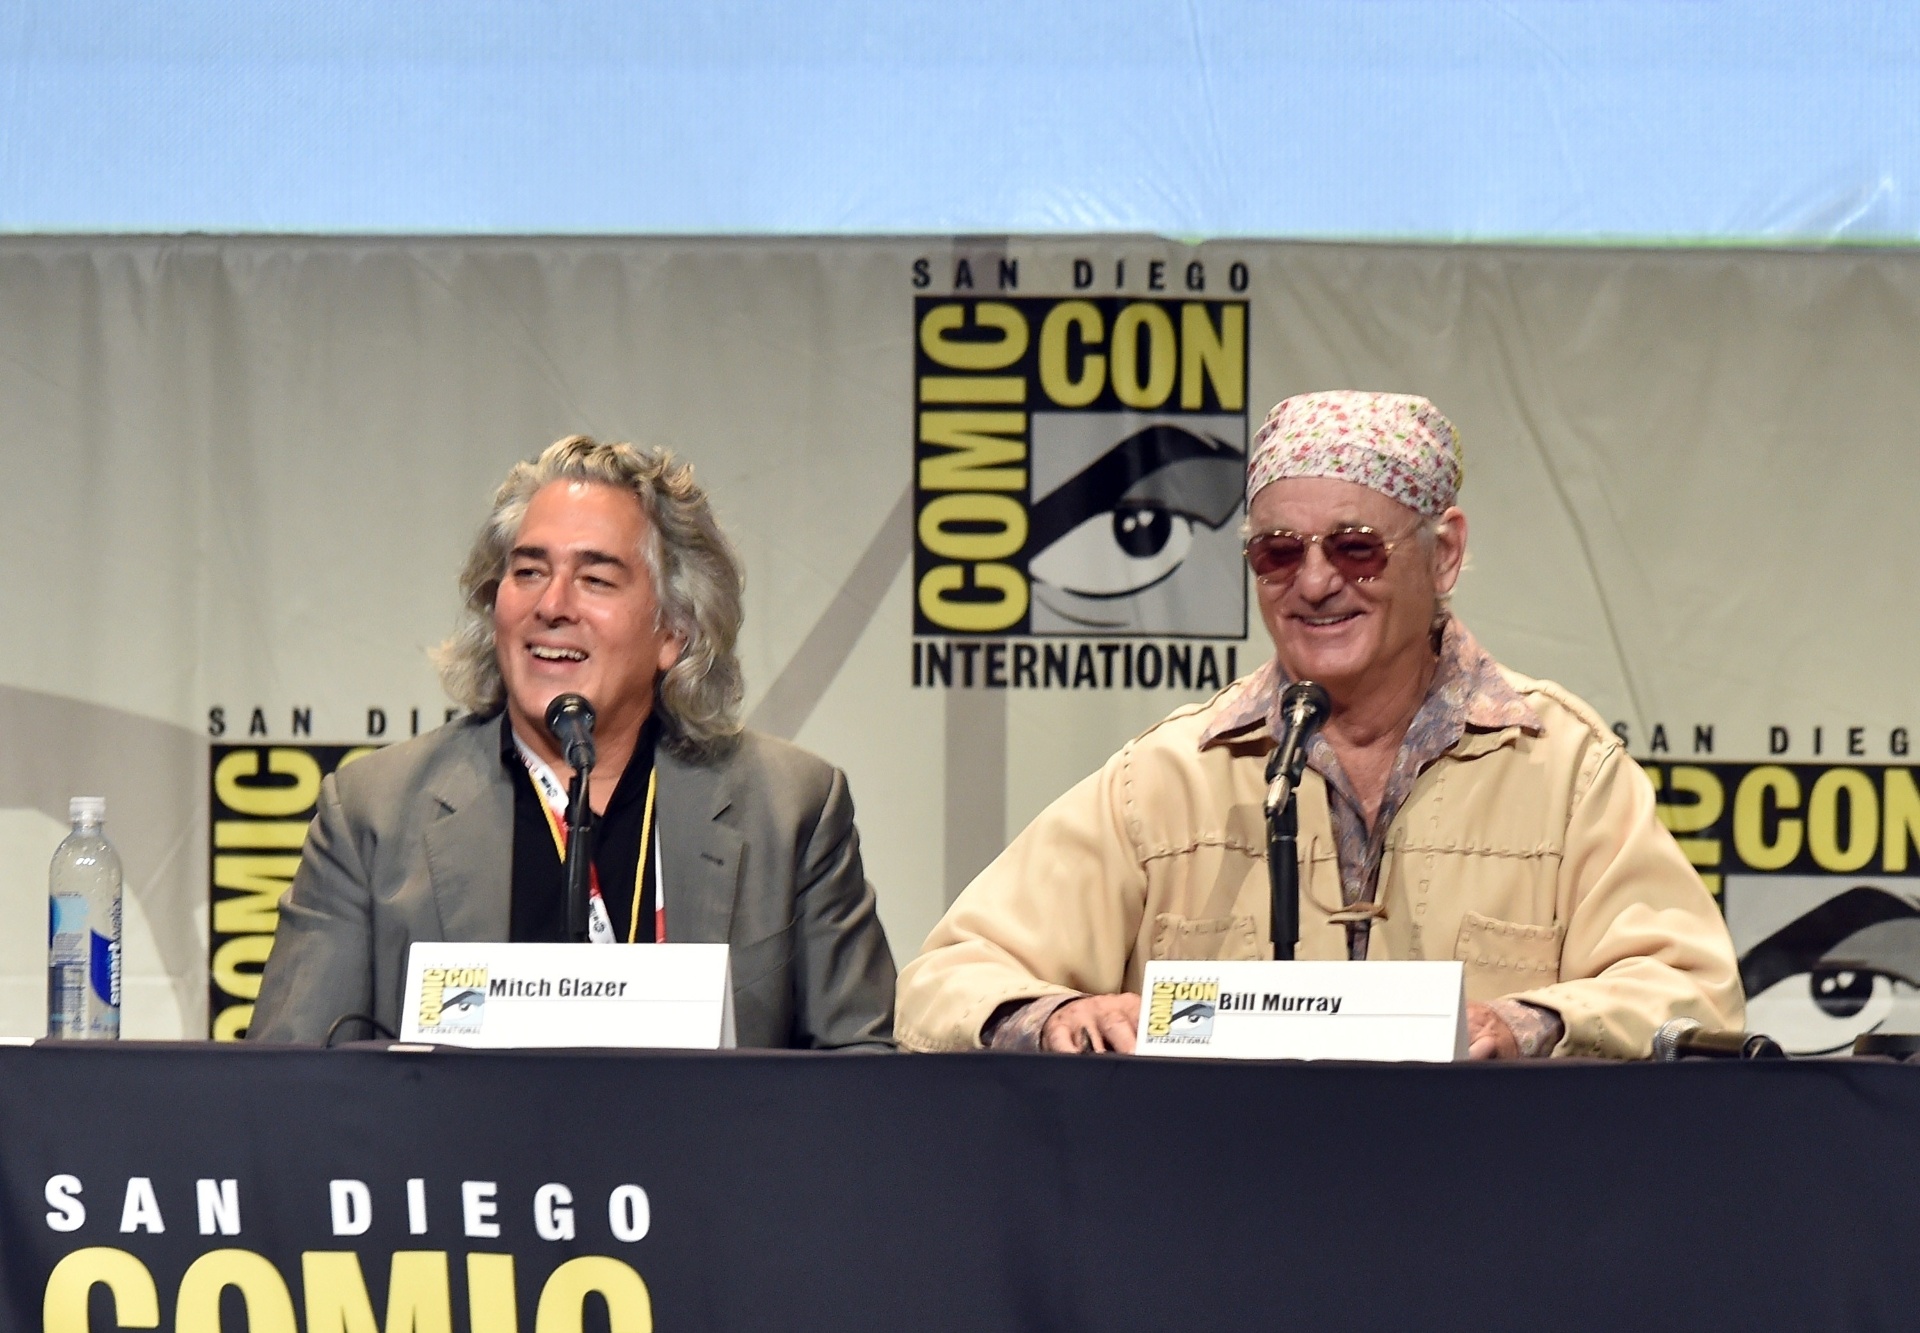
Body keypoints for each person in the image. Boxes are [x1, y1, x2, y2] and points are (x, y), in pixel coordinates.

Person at [896, 391, 1742, 1059]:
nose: (1312, 582)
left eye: (1355, 547)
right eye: (1277, 551)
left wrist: (1529, 1023)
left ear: (1444, 552)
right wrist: (1058, 1015)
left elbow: (1693, 992)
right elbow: (946, 980)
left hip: (1487, 1201)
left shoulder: (1565, 770)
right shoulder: (1164, 779)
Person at [251, 435, 896, 1049]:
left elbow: (863, 1076)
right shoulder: (373, 815)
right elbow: (289, 1084)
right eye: (529, 571)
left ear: (674, 629)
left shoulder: (788, 810)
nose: (552, 604)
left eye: (596, 579)